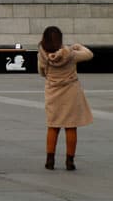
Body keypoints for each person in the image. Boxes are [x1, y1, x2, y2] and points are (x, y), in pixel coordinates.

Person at [38, 25, 93, 170]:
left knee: (53, 126)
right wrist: (77, 46)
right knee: (70, 126)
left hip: (52, 93)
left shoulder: (42, 54)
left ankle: (50, 160)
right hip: (71, 93)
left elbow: (42, 72)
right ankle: (70, 161)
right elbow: (89, 54)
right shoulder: (70, 54)